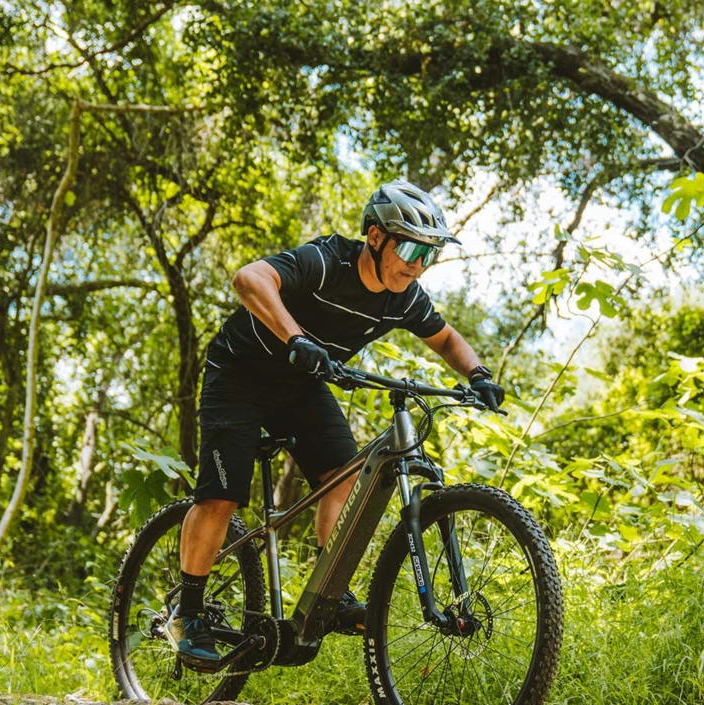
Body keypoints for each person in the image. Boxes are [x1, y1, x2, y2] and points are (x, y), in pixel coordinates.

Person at [165, 180, 505, 671]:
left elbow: (447, 338)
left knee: (344, 475)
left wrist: (478, 374)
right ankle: (188, 612)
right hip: (238, 376)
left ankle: (331, 593)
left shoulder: (404, 297)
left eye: (427, 256)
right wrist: (297, 338)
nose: (416, 265)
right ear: (374, 236)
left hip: (300, 388)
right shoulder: (326, 262)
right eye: (409, 248)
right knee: (221, 496)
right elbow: (248, 279)